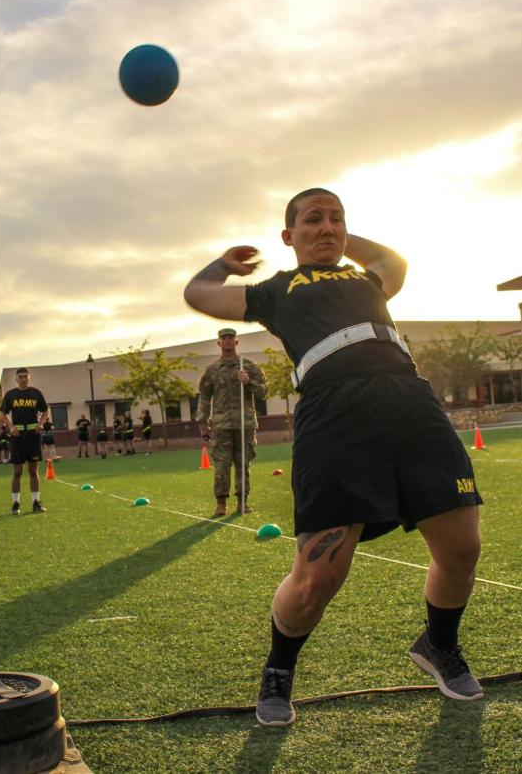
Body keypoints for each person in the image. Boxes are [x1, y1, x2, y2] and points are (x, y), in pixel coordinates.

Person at [184, 187, 483, 727]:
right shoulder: (276, 289)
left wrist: (341, 237)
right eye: (313, 220)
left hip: (409, 402)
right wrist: (223, 264)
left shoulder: (366, 279)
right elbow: (200, 294)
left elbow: (393, 261)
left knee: (462, 549)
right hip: (335, 416)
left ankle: (439, 645)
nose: (327, 227)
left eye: (336, 219)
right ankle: (278, 671)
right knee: (319, 573)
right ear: (287, 236)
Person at [196, 328, 267, 516]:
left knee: (243, 464)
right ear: (218, 343)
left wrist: (249, 382)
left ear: (236, 342)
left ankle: (242, 501)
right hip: (220, 426)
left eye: (230, 338)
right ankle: (221, 503)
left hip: (245, 425)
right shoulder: (211, 370)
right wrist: (203, 424)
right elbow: (204, 397)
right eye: (223, 338)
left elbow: (263, 391)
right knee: (221, 465)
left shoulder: (248, 366)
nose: (227, 341)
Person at [0, 367, 49, 515]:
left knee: (33, 471)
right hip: (17, 436)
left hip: (33, 435)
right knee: (17, 472)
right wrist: (11, 426)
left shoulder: (35, 393)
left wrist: (40, 424)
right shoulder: (11, 395)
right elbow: (2, 412)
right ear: (16, 379)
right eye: (20, 377)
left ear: (29, 378)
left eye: (25, 376)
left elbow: (46, 410)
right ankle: (15, 503)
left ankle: (36, 502)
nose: (23, 379)